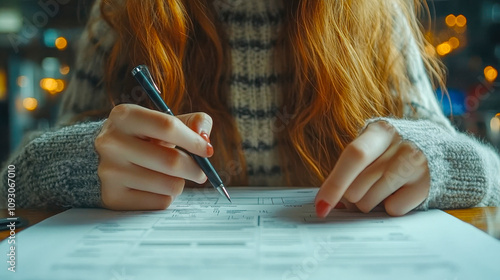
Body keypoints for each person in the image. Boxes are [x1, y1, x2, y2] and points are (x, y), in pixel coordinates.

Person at [1, 0, 499, 217]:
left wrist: (438, 161)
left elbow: (486, 173)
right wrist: (85, 165)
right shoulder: (126, 13)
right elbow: (13, 183)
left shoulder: (376, 15)